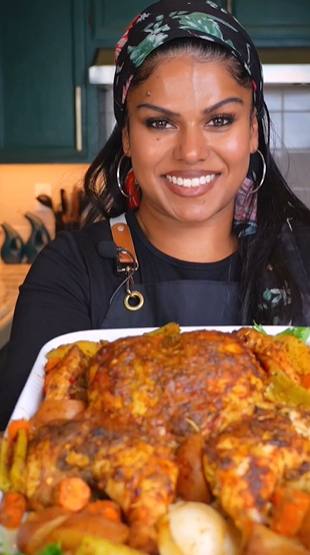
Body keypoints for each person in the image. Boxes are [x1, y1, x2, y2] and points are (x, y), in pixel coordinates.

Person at [1, 0, 310, 429]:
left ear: (252, 130)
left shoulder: (305, 257)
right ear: (127, 136)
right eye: (160, 124)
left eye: (220, 119)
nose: (192, 153)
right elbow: (23, 440)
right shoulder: (70, 272)